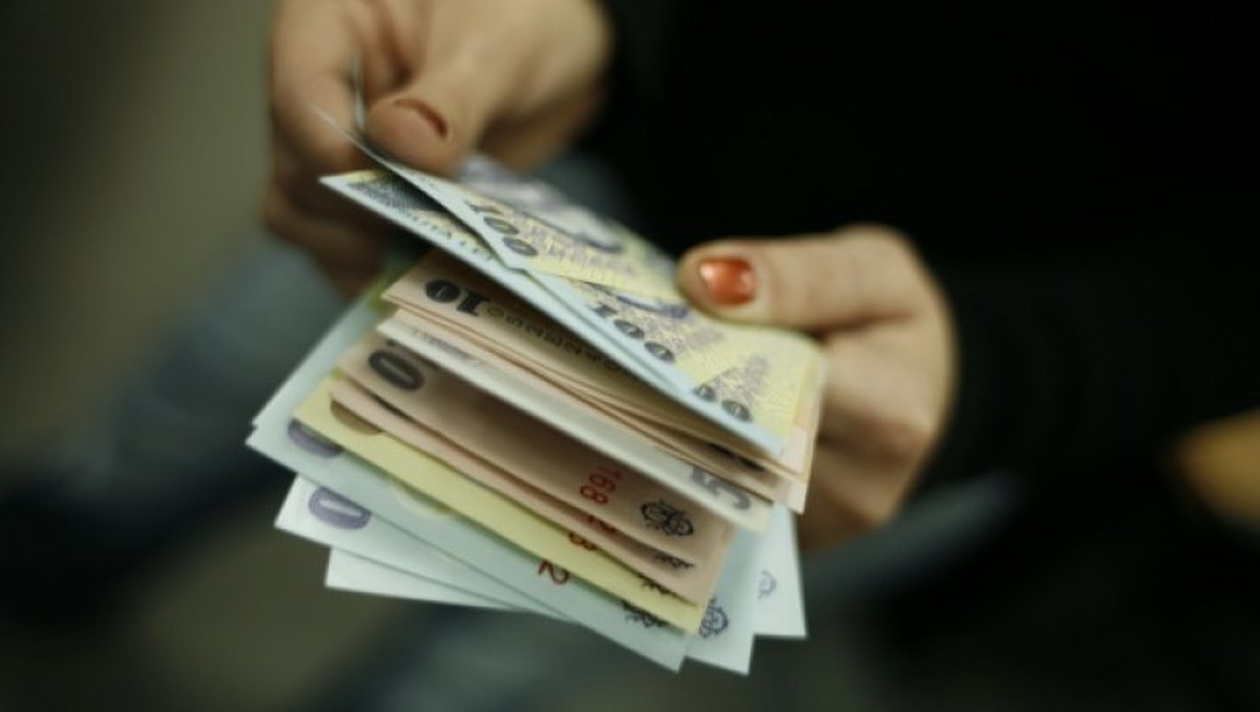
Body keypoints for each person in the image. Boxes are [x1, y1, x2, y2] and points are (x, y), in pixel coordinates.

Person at [265, 0, 1260, 550]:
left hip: (889, 397)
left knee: (475, 670)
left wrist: (998, 375)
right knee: (203, 414)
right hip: (552, 144)